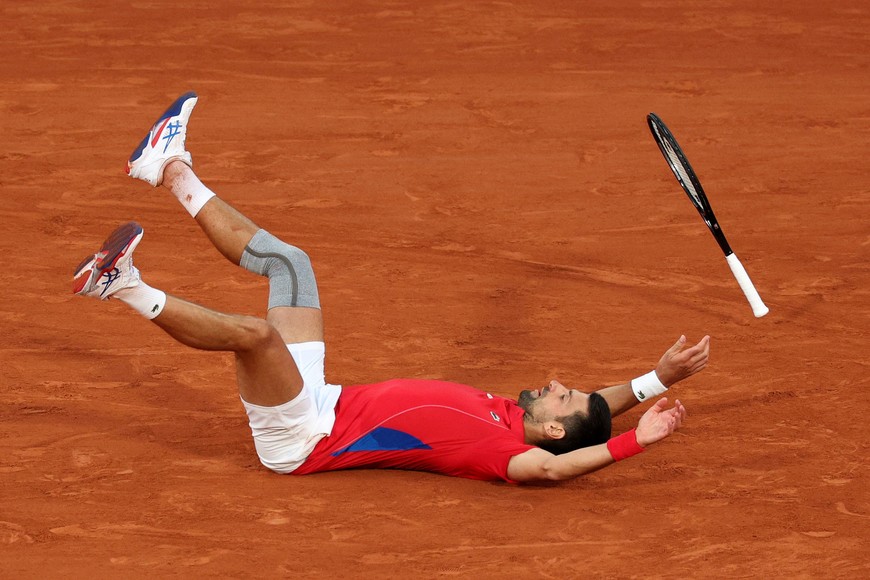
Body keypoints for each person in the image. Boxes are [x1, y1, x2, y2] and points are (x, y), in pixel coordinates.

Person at [73, 92, 710, 484]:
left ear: (548, 431)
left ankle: (121, 284)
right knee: (291, 264)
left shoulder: (503, 452)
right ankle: (170, 167)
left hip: (304, 439)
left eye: (560, 396)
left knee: (257, 336)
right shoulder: (526, 417)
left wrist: (633, 443)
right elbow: (592, 415)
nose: (555, 382)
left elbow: (559, 462)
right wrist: (658, 381)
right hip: (323, 399)